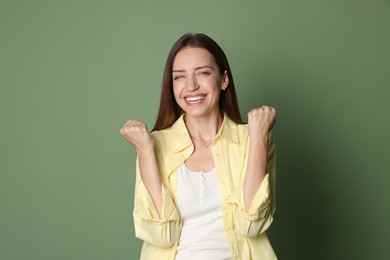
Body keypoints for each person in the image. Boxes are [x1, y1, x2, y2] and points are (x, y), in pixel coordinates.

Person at [120, 33, 277, 260]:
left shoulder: (254, 138)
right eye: (179, 77)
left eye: (203, 73)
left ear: (224, 80)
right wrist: (145, 152)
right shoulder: (152, 144)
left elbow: (251, 225)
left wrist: (259, 137)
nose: (191, 86)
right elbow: (162, 235)